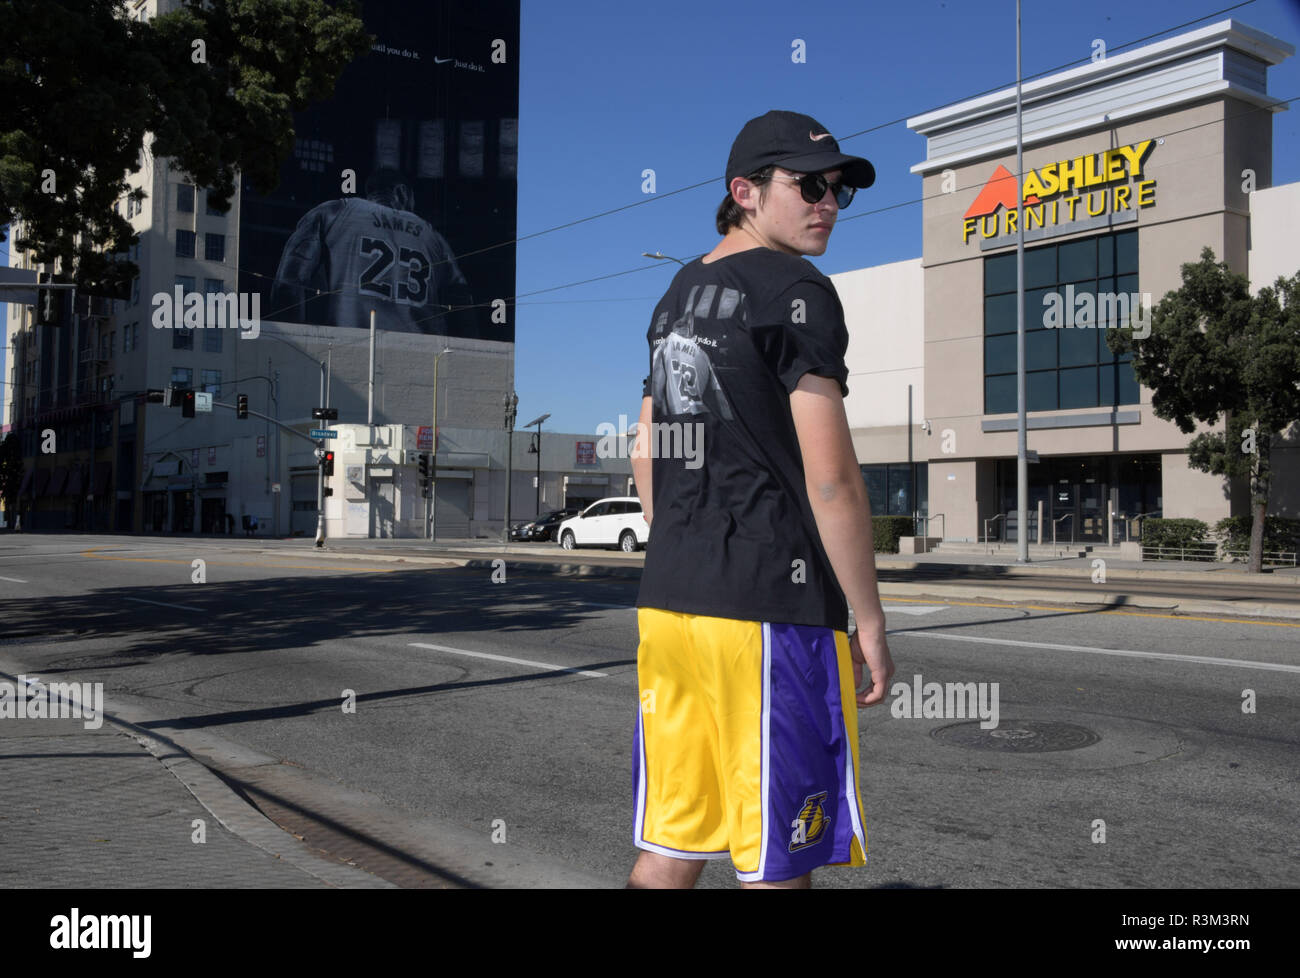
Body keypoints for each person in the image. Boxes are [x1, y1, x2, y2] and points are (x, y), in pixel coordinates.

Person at [627, 110, 896, 890]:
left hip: (672, 604)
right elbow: (832, 478)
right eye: (808, 186)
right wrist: (869, 623)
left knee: (673, 844)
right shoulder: (796, 287)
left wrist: (687, 541)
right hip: (773, 611)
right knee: (781, 850)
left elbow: (648, 450)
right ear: (744, 191)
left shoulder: (680, 291)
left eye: (839, 189)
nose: (829, 203)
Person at [270, 167, 471, 334]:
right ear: (402, 192)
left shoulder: (334, 212)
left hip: (349, 344)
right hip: (417, 351)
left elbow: (289, 283)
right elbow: (462, 307)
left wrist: (295, 343)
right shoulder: (433, 236)